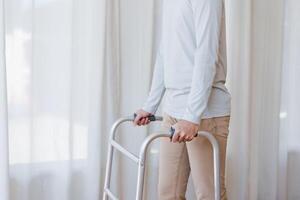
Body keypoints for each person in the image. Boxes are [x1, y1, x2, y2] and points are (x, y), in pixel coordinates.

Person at [134, 0, 230, 199]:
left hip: (204, 114)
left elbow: (207, 53)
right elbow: (164, 51)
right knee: (168, 193)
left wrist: (192, 116)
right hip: (173, 111)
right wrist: (150, 105)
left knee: (209, 194)